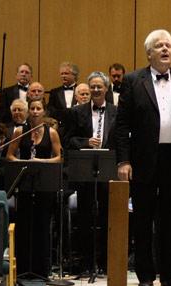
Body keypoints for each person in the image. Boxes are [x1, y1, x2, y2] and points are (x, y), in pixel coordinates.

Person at [115, 29, 171, 286]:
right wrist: (123, 161)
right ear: (149, 53)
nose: (165, 49)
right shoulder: (132, 80)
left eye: (168, 45)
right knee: (142, 219)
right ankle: (145, 275)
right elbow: (122, 125)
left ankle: (170, 274)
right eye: (159, 46)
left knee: (170, 219)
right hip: (143, 160)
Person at [64, 71, 117, 272]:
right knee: (85, 218)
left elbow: (122, 141)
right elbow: (68, 140)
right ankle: (86, 262)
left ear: (106, 89)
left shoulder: (116, 111)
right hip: (85, 172)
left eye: (99, 86)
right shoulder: (77, 112)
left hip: (108, 170)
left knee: (106, 218)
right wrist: (85, 142)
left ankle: (105, 262)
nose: (95, 90)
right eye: (92, 86)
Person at [6, 98, 62, 277]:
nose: (35, 111)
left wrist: (40, 162)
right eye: (32, 108)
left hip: (44, 185)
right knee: (24, 225)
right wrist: (23, 162)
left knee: (42, 225)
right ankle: (23, 268)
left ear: (44, 112)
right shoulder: (20, 131)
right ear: (29, 111)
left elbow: (59, 158)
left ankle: (41, 268)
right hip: (24, 185)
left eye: (39, 108)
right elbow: (9, 156)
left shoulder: (51, 132)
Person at [48, 62, 79, 136]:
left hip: (78, 128)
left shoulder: (82, 90)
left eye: (66, 73)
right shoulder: (54, 92)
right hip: (60, 128)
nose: (63, 76)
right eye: (62, 74)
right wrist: (65, 113)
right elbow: (50, 109)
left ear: (74, 75)